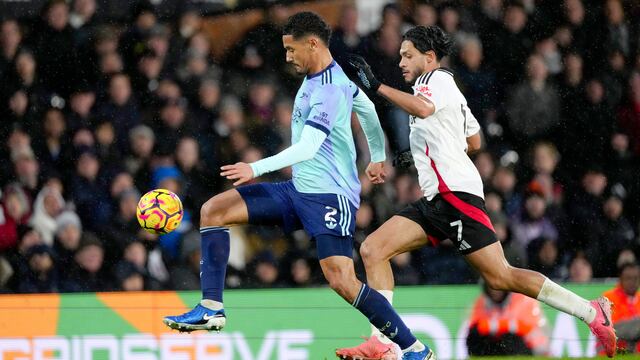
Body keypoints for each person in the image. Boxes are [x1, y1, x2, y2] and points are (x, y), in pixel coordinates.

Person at [163, 12, 434, 360]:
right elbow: (366, 109)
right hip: (297, 190)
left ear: (313, 44)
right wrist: (377, 156)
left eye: (291, 50)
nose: (287, 57)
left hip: (329, 198)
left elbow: (307, 148)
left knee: (342, 281)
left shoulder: (330, 89)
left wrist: (254, 167)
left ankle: (413, 348)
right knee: (214, 210)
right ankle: (211, 307)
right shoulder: (331, 78)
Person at [338, 25, 617, 359]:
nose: (401, 61)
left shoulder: (434, 80)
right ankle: (382, 344)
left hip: (454, 196)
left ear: (429, 57)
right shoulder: (449, 91)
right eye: (399, 55)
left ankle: (591, 311)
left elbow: (425, 110)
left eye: (407, 55)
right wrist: (423, 152)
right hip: (437, 199)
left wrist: (376, 86)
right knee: (372, 249)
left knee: (501, 276)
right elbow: (475, 141)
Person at [602, 262, 640, 354]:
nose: (632, 282)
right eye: (628, 278)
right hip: (611, 355)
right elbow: (610, 330)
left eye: (636, 278)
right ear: (620, 279)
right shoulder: (608, 298)